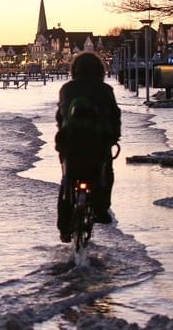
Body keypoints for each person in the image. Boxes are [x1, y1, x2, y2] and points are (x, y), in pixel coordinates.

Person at [55, 51, 121, 243]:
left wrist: (62, 134)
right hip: (98, 143)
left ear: (74, 70)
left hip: (70, 143)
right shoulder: (105, 90)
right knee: (105, 172)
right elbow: (115, 116)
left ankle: (64, 228)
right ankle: (101, 209)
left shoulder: (67, 89)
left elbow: (61, 116)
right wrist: (114, 137)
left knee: (67, 180)